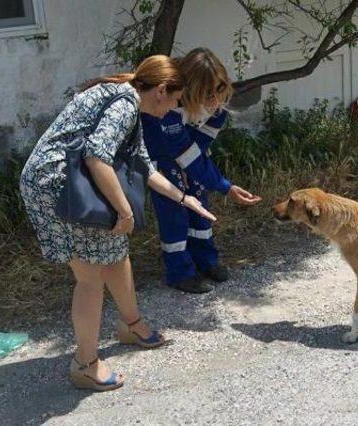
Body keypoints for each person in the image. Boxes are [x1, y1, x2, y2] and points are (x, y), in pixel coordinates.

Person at [19, 55, 216, 392]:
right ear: (161, 91)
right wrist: (124, 212)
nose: (172, 109)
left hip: (69, 184)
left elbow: (143, 165)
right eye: (174, 100)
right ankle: (84, 364)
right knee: (90, 277)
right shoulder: (125, 104)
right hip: (58, 189)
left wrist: (185, 199)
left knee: (115, 253)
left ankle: (131, 325)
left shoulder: (128, 98)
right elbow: (97, 156)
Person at [141, 48, 261, 294]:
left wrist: (196, 172)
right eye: (208, 93)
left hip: (189, 154)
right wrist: (224, 186)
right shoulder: (169, 107)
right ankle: (179, 272)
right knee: (174, 213)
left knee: (200, 207)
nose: (216, 100)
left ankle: (206, 261)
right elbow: (179, 149)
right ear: (190, 88)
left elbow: (199, 146)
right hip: (161, 162)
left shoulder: (218, 107)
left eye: (220, 89)